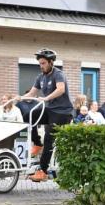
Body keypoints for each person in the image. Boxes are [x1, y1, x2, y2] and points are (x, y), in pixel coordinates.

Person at [21, 49, 73, 182]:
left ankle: (43, 171)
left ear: (51, 62)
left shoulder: (58, 74)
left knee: (50, 139)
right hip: (50, 110)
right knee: (27, 116)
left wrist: (46, 98)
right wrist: (19, 98)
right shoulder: (40, 77)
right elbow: (32, 93)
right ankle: (37, 143)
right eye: (40, 63)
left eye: (43, 63)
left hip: (62, 112)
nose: (41, 66)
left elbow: (60, 89)